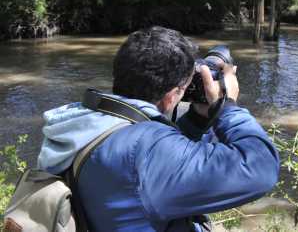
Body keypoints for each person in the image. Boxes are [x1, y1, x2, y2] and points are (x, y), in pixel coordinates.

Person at [36, 26, 279, 231]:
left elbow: (158, 164)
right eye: (183, 88)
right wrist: (226, 107)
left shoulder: (86, 120)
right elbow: (260, 168)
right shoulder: (145, 154)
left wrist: (197, 119)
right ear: (172, 95)